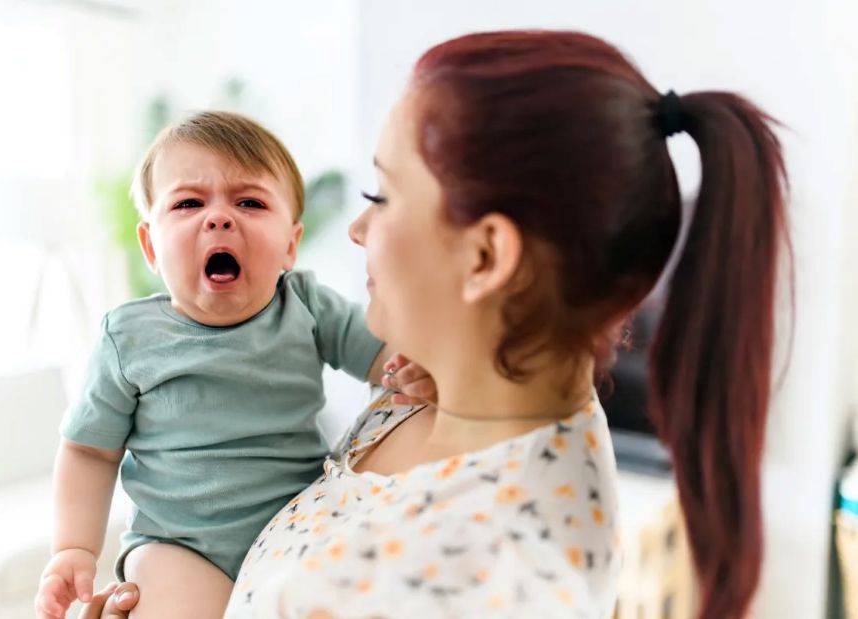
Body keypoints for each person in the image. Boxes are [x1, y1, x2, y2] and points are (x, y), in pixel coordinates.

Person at [80, 29, 790, 619]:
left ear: (486, 255)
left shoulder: (494, 580)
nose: (356, 228)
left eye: (380, 195)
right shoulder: (450, 383)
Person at [33, 111, 430, 619]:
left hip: (297, 528)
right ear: (151, 246)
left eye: (249, 202)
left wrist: (417, 368)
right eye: (189, 203)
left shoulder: (307, 306)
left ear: (290, 243)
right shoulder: (128, 337)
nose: (219, 218)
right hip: (179, 546)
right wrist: (73, 548)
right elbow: (89, 452)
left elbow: (385, 355)